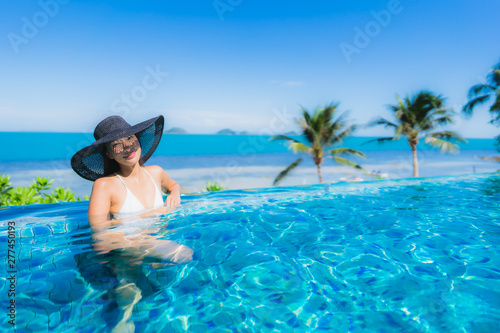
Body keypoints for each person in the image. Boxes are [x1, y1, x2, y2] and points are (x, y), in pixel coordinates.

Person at [71, 114, 193, 263]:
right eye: (117, 144)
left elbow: (173, 185)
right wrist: (154, 215)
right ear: (108, 154)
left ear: (138, 139)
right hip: (126, 250)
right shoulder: (105, 185)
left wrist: (175, 193)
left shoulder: (156, 172)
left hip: (157, 240)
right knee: (184, 254)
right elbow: (99, 232)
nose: (127, 147)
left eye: (130, 138)